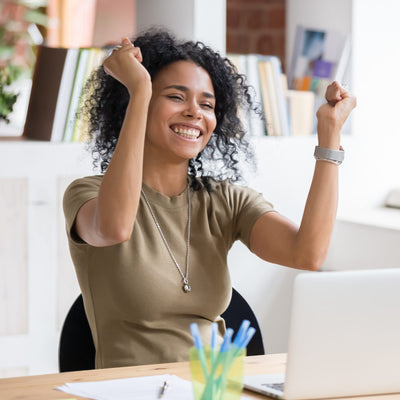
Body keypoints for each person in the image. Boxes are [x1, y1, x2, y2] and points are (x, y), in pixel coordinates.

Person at [63, 29, 356, 369]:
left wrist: (330, 137)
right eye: (175, 97)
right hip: (130, 389)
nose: (195, 112)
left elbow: (308, 254)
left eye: (207, 104)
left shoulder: (224, 199)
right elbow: (114, 228)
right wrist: (140, 89)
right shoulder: (87, 193)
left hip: (215, 387)